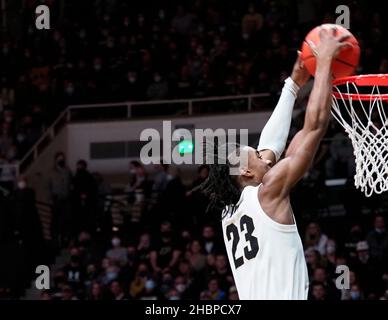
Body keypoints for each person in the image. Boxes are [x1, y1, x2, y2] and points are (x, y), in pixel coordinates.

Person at [199, 26, 351, 299]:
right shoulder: (268, 192)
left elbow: (271, 146)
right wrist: (325, 61)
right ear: (245, 171)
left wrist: (292, 85)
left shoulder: (229, 213)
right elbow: (313, 127)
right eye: (256, 156)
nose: (264, 156)